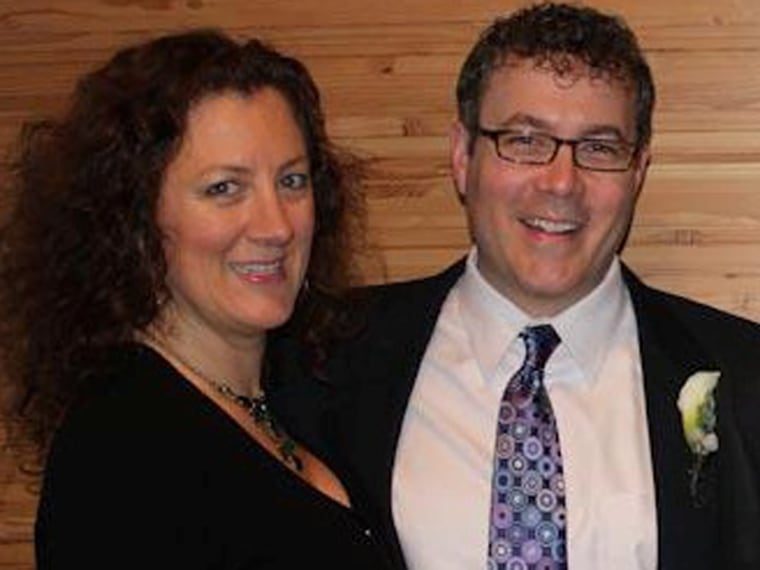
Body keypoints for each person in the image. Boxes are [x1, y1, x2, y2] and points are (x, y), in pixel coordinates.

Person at [272, 3, 760, 570]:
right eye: (525, 140)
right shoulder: (321, 360)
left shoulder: (746, 379)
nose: (560, 183)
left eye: (599, 148)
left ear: (638, 171)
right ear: (462, 157)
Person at [0, 29, 396, 569]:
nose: (276, 225)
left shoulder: (291, 400)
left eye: (292, 180)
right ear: (136, 218)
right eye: (224, 188)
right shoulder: (119, 454)